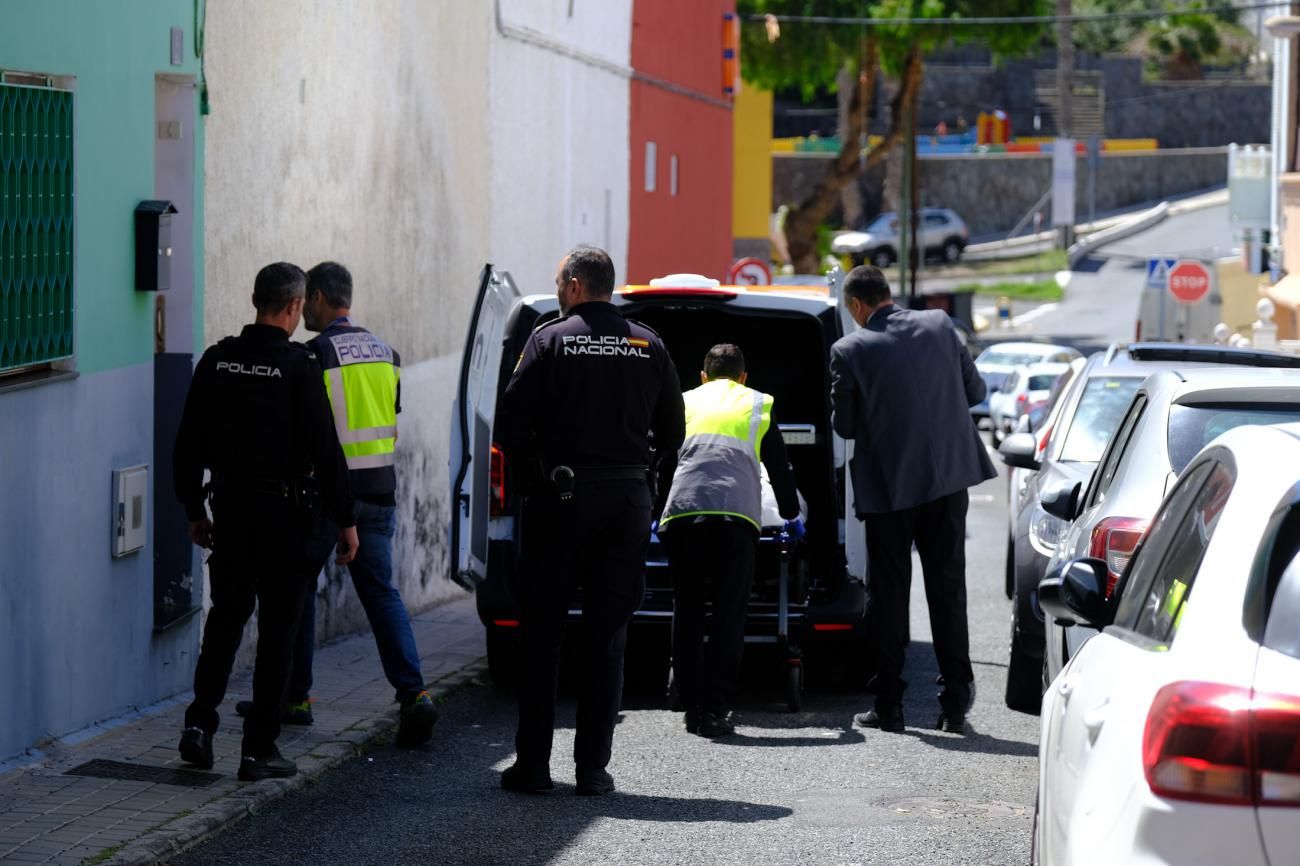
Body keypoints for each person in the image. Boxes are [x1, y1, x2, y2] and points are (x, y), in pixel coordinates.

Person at [495, 245, 685, 795]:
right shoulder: (648, 343)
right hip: (626, 503)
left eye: (559, 282)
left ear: (576, 285)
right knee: (608, 636)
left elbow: (509, 423)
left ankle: (533, 767)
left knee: (543, 635)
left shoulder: (549, 339)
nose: (557, 291)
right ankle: (593, 771)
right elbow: (674, 432)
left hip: (561, 498)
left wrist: (540, 462)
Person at [231, 261, 438, 747]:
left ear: (320, 297)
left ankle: (294, 698)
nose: (304, 309)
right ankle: (415, 695)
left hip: (326, 497)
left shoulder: (314, 353)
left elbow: (304, 428)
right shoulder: (389, 354)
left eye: (309, 299)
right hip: (380, 492)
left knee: (296, 592)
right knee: (382, 594)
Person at [174, 262, 358, 782]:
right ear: (296, 307)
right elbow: (327, 450)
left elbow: (186, 445)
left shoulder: (217, 360)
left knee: (226, 620)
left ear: (255, 299)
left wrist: (194, 509)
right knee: (280, 629)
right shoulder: (298, 365)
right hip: (286, 518)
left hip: (230, 511)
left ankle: (199, 727)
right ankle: (258, 751)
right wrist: (346, 520)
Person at [829, 265, 994, 734]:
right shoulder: (940, 325)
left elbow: (844, 426)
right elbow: (976, 391)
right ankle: (955, 704)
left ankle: (889, 705)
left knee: (888, 595)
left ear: (857, 305)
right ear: (887, 293)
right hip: (947, 482)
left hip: (889, 488)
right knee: (948, 590)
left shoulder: (849, 349)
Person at [658, 343, 803, 738]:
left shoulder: (685, 401)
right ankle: (715, 712)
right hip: (736, 519)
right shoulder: (757, 404)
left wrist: (655, 512)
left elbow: (664, 461)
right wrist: (792, 515)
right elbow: (779, 466)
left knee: (686, 610)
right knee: (727, 615)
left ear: (703, 376)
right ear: (743, 377)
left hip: (683, 514)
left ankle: (688, 703)